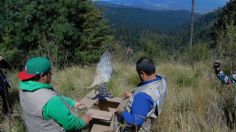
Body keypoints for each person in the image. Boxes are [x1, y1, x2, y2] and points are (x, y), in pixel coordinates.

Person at [18, 57, 91, 132]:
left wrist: (72, 103)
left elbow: (48, 98)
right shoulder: (52, 101)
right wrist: (83, 121)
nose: (51, 74)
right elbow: (71, 125)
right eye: (49, 72)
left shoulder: (23, 89)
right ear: (43, 76)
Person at [116, 57, 168, 132]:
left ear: (142, 74)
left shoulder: (142, 96)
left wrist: (120, 111)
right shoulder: (162, 80)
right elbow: (151, 97)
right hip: (149, 121)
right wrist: (133, 96)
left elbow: (135, 122)